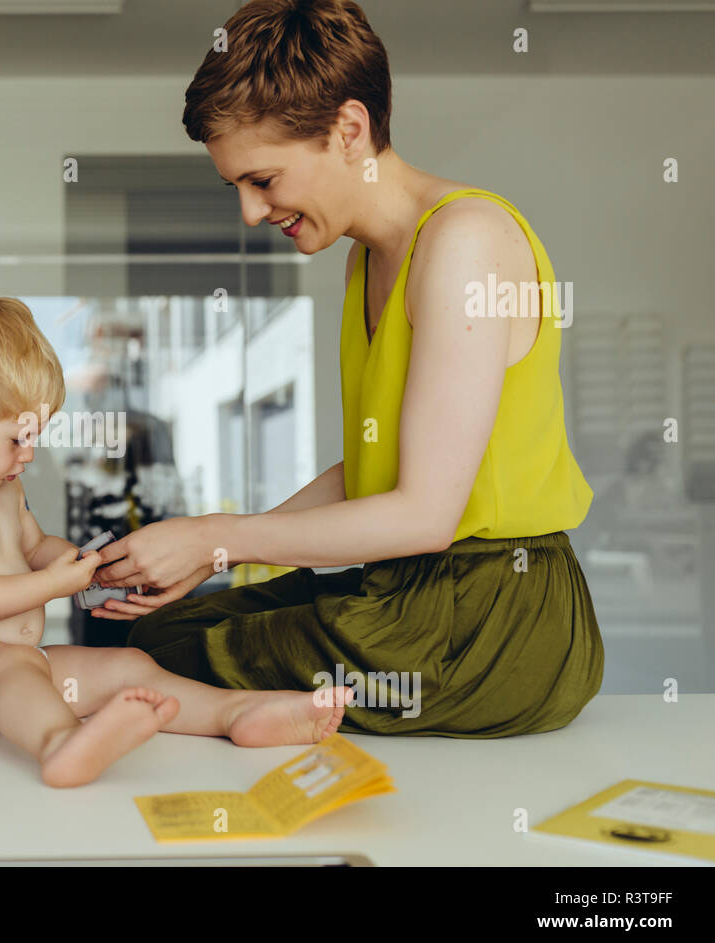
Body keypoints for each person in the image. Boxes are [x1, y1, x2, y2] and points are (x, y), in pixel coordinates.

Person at [91, 0, 605, 738]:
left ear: (350, 130)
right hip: (409, 591)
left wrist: (220, 538)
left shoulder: (465, 241)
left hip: (497, 620)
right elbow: (377, 470)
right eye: (236, 186)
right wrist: (211, 551)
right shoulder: (366, 260)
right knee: (171, 627)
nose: (250, 212)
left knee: (165, 652)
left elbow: (426, 515)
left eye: (263, 179)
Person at [0, 297, 352, 787]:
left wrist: (80, 563)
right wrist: (49, 584)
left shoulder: (2, 484)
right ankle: (60, 743)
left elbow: (34, 544)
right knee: (14, 670)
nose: (29, 454)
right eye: (16, 439)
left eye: (34, 437)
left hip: (21, 662)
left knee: (129, 665)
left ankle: (236, 713)